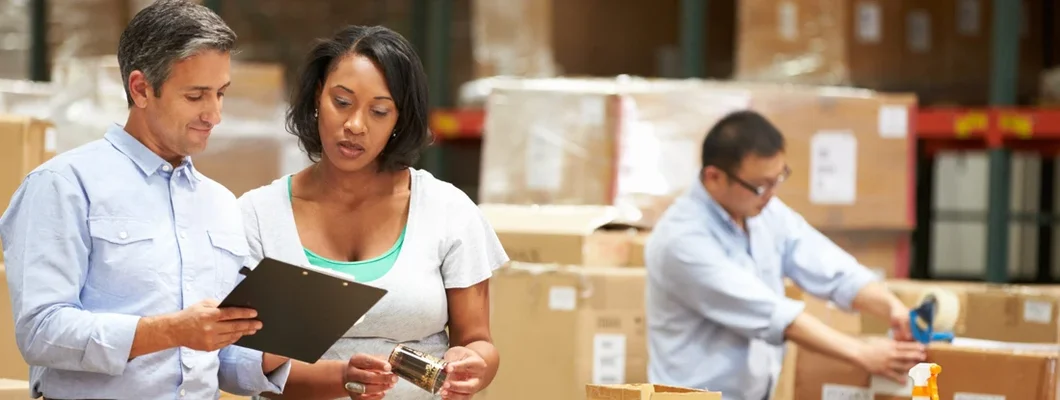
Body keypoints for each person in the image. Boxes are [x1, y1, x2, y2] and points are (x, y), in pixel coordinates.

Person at [0, 1, 297, 398]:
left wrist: (294, 336)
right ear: (141, 89)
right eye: (196, 96)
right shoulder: (64, 185)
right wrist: (171, 330)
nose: (215, 114)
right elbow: (41, 332)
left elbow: (220, 359)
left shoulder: (220, 204)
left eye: (221, 94)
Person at [238, 25, 507, 400]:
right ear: (318, 96)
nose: (355, 125)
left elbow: (478, 341)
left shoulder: (448, 210)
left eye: (379, 111)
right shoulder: (257, 215)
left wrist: (473, 364)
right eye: (342, 102)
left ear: (399, 119)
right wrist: (341, 377)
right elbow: (240, 363)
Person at [643, 110, 926, 400]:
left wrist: (891, 307)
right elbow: (770, 313)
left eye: (778, 179)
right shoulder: (681, 240)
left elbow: (829, 267)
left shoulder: (763, 212)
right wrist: (862, 353)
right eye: (761, 185)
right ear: (714, 177)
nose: (771, 194)